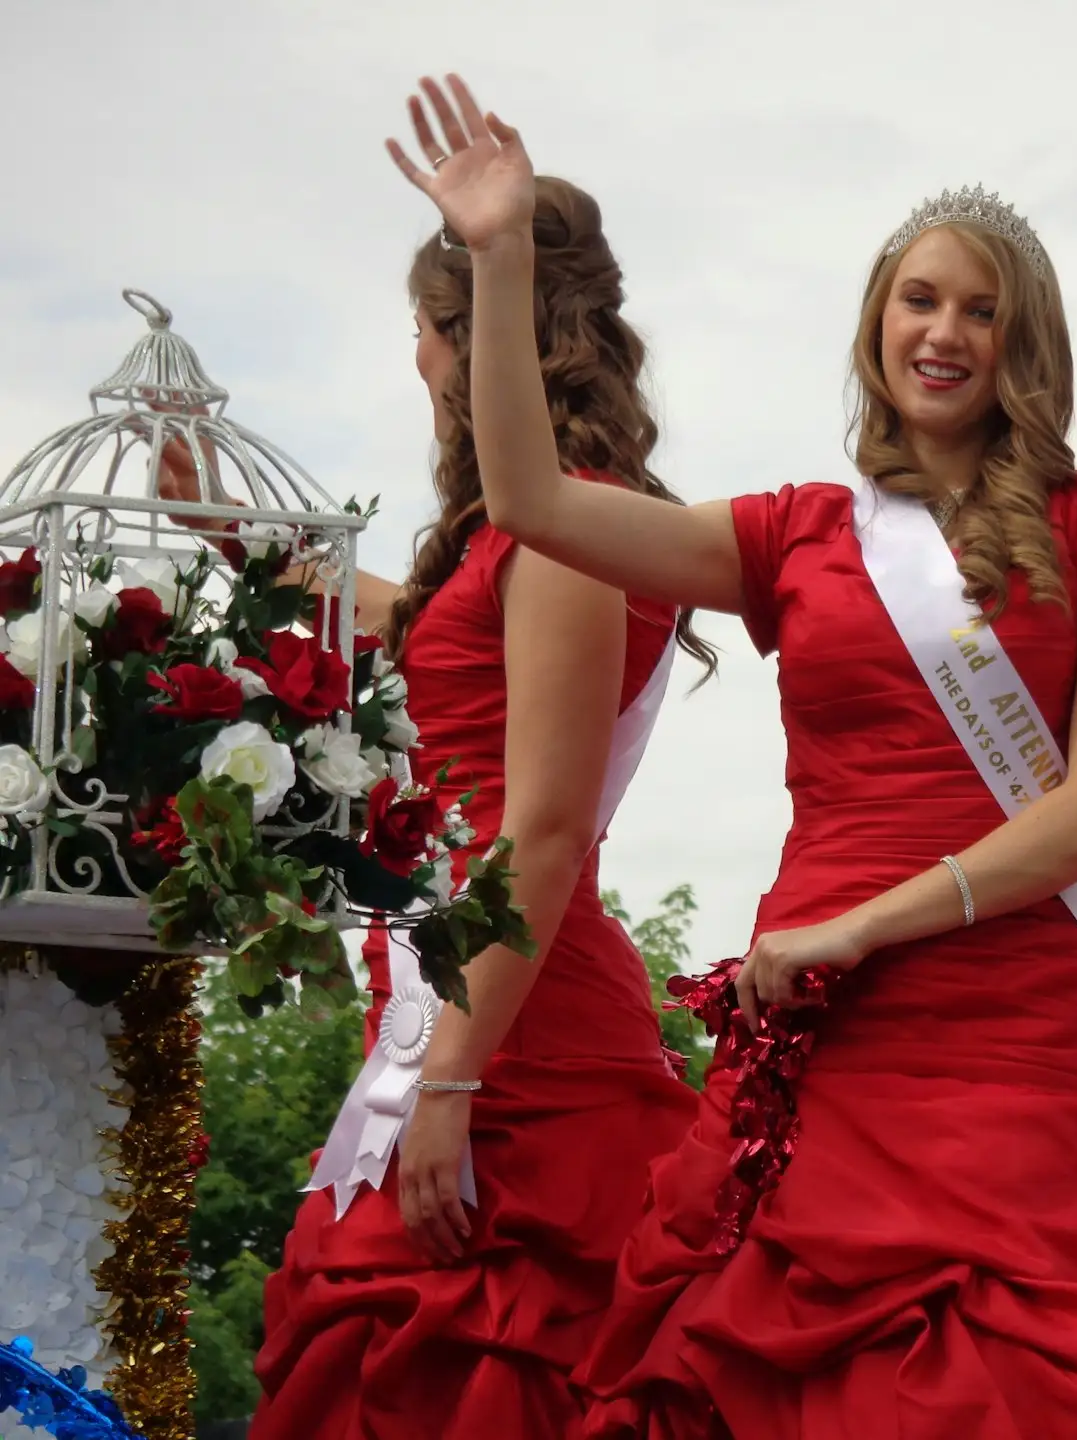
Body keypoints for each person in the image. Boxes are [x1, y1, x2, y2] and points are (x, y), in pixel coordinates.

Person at [391, 74, 1077, 1440]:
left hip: (1006, 1028)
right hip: (821, 1029)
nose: (946, 331)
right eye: (921, 299)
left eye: (983, 309)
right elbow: (534, 501)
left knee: (1005, 1377)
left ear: (1027, 345)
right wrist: (500, 262)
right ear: (877, 324)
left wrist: (868, 927)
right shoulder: (797, 531)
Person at [161, 146, 707, 1439]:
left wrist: (452, 1083)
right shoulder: (520, 543)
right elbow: (429, 640)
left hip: (515, 1048)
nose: (415, 359)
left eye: (420, 329)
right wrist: (239, 540)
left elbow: (550, 826)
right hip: (446, 1008)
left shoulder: (576, 531)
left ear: (474, 340)